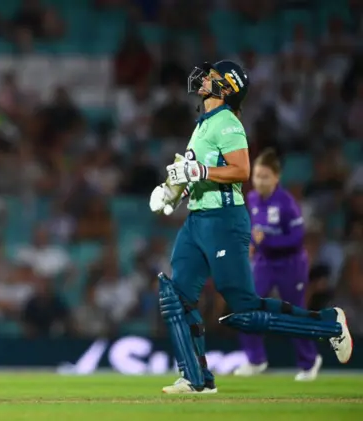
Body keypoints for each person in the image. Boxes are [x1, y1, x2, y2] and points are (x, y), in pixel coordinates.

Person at [148, 60, 352, 394]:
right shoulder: (203, 122)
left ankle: (329, 323)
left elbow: (241, 170)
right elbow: (198, 173)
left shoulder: (227, 121)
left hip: (224, 222)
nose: (204, 78)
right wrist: (175, 192)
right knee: (176, 298)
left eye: (213, 77)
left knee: (245, 308)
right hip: (198, 220)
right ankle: (196, 379)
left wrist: (196, 173)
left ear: (226, 88)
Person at [233, 148, 322, 381]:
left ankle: (309, 361)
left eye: (265, 177)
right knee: (245, 307)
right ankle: (255, 359)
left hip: (290, 264)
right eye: (256, 176)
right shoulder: (252, 199)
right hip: (264, 263)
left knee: (294, 315)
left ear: (276, 177)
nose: (259, 181)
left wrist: (267, 241)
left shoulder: (286, 203)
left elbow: (297, 237)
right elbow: (255, 232)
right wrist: (253, 243)